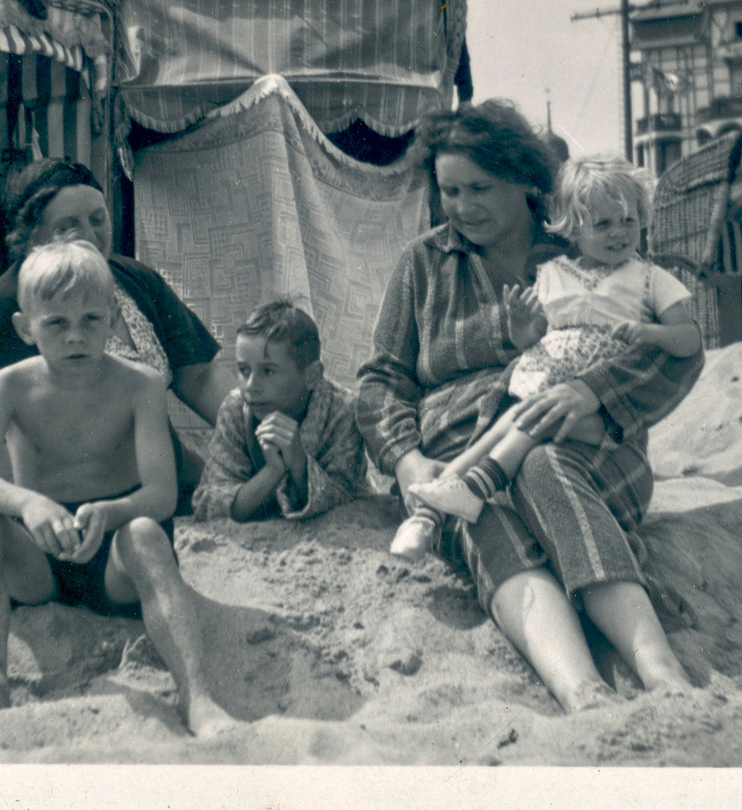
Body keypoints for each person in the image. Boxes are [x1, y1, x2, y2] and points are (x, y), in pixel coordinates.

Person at [357, 100, 703, 713]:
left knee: (544, 465)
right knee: (481, 513)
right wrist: (408, 462)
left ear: (525, 181)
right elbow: (381, 380)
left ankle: (662, 673)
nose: (463, 207)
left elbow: (678, 353)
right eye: (449, 192)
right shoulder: (422, 264)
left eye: (480, 188)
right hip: (460, 459)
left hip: (592, 448)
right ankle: (581, 692)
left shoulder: (588, 247)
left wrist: (594, 392)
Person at [0, 241, 237, 736]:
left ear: (114, 318)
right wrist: (29, 503)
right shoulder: (8, 386)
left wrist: (112, 512)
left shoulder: (140, 385)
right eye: (56, 323)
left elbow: (161, 495)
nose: (76, 337)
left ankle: (197, 697)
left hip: (116, 561)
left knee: (145, 533)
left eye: (91, 320)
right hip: (39, 560)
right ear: (24, 328)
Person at [412, 154, 701, 520]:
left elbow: (690, 339)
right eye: (604, 224)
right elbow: (536, 341)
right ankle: (443, 488)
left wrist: (650, 332)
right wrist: (522, 327)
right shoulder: (552, 274)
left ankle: (478, 485)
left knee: (530, 423)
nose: (620, 232)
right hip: (545, 389)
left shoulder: (649, 278)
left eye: (629, 221)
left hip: (603, 410)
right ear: (574, 231)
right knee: (510, 421)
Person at [0, 159, 235, 510]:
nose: (90, 235)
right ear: (32, 235)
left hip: (159, 473)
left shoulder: (134, 279)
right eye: (69, 226)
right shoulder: (1, 311)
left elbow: (200, 376)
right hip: (64, 497)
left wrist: (252, 433)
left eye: (97, 219)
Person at [192, 299, 365, 522]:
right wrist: (272, 471)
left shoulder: (342, 410)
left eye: (268, 371)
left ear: (312, 375)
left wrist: (300, 464)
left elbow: (349, 498)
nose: (251, 385)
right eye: (244, 370)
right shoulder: (235, 409)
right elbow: (211, 502)